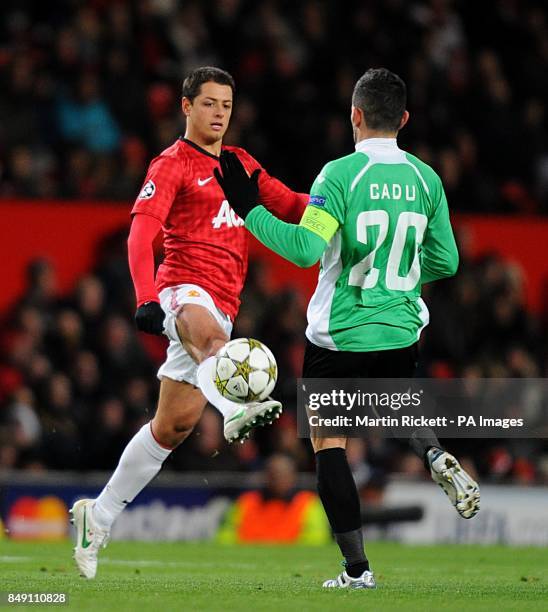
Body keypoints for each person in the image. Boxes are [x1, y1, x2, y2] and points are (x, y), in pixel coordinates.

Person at [214, 68, 480, 590]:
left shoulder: (339, 175)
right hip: (400, 330)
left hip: (339, 335)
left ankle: (357, 569)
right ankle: (433, 451)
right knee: (393, 400)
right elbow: (446, 260)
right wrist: (397, 277)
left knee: (328, 444)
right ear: (403, 119)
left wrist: (248, 210)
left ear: (354, 115)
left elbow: (304, 250)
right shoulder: (427, 178)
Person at [70, 66, 307, 579]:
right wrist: (146, 297)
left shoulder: (241, 164)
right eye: (209, 104)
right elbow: (140, 234)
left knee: (172, 427)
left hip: (223, 299)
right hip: (182, 288)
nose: (219, 113)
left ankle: (99, 513)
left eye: (226, 105)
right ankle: (235, 406)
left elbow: (291, 205)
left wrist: (340, 206)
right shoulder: (172, 164)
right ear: (186, 107)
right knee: (215, 340)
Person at [217, 454, 330, 545]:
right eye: (273, 475)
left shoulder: (308, 503)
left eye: (283, 475)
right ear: (265, 476)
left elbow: (316, 540)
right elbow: (226, 535)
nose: (278, 480)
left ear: (293, 477)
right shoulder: (246, 501)